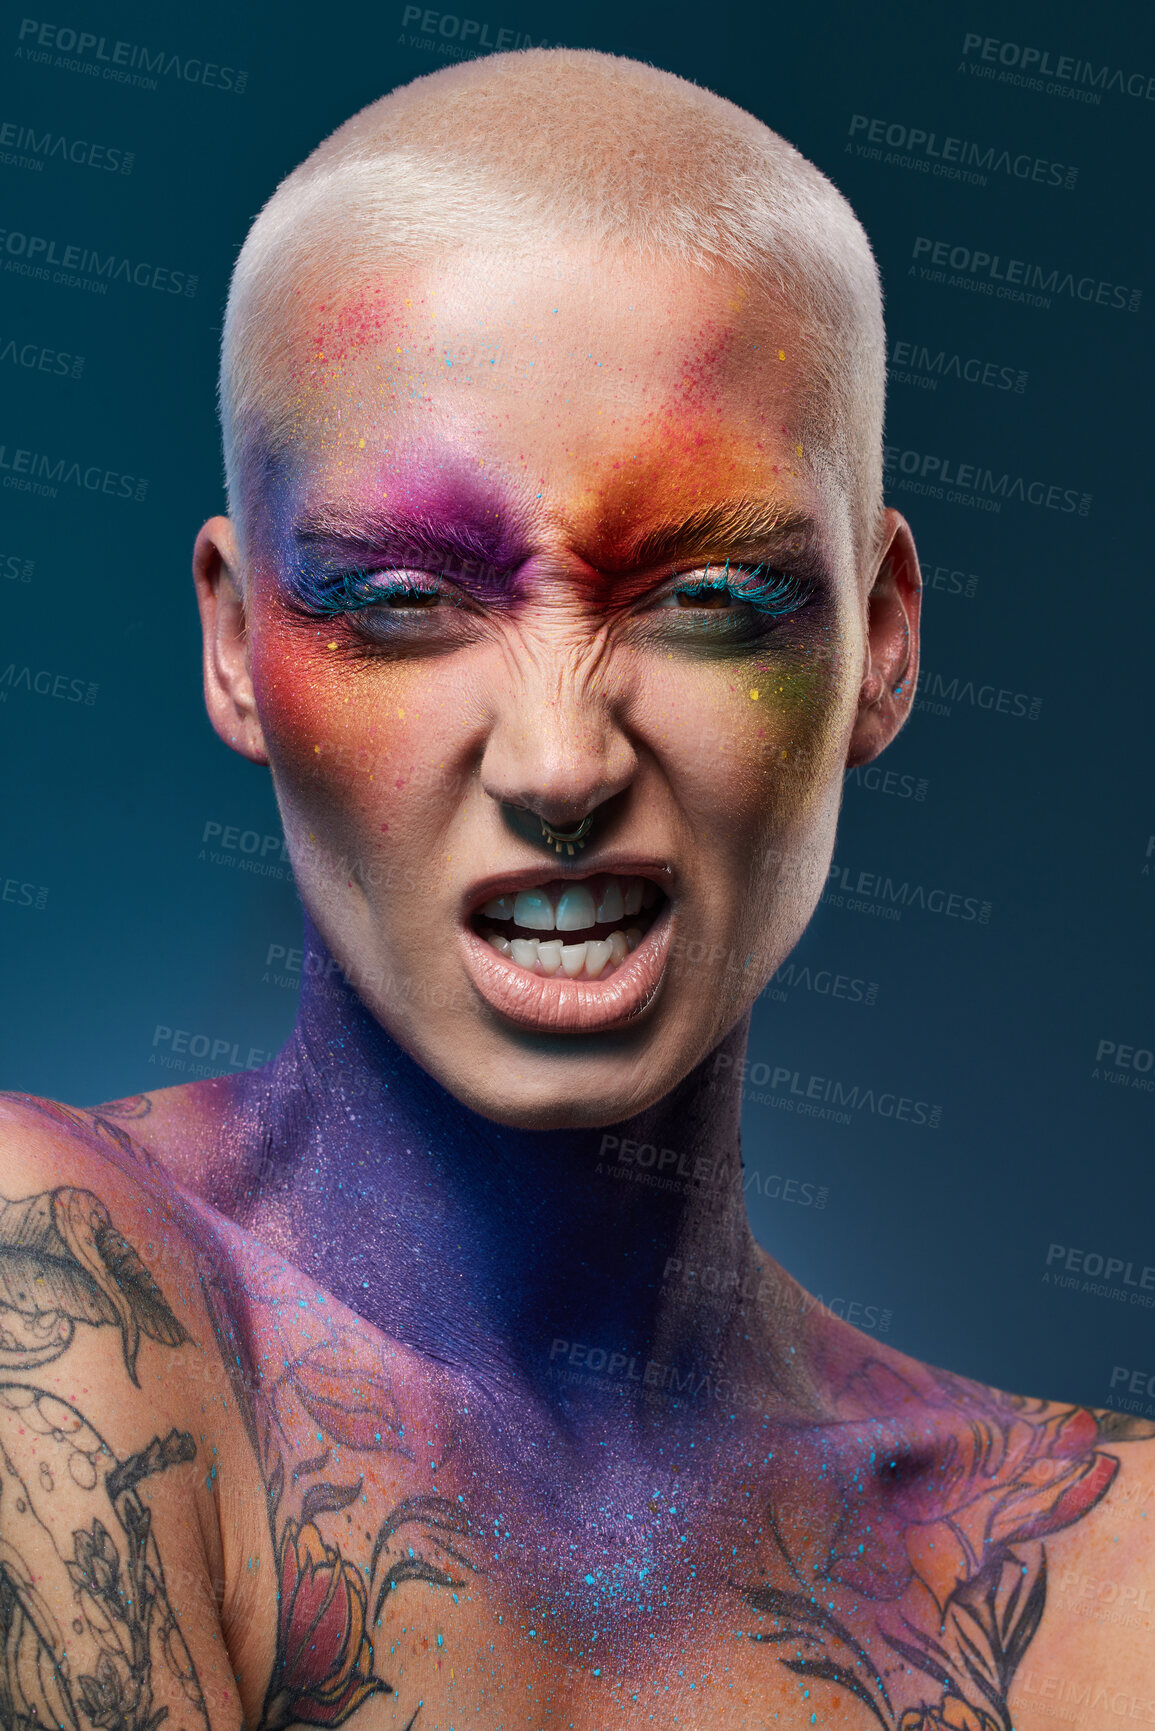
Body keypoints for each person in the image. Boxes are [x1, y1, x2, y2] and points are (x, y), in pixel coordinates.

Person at [1, 47, 1150, 1731]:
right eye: (400, 598)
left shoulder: (1093, 1573)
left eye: (709, 594)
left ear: (883, 642)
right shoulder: (63, 1294)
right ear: (236, 645)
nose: (558, 764)